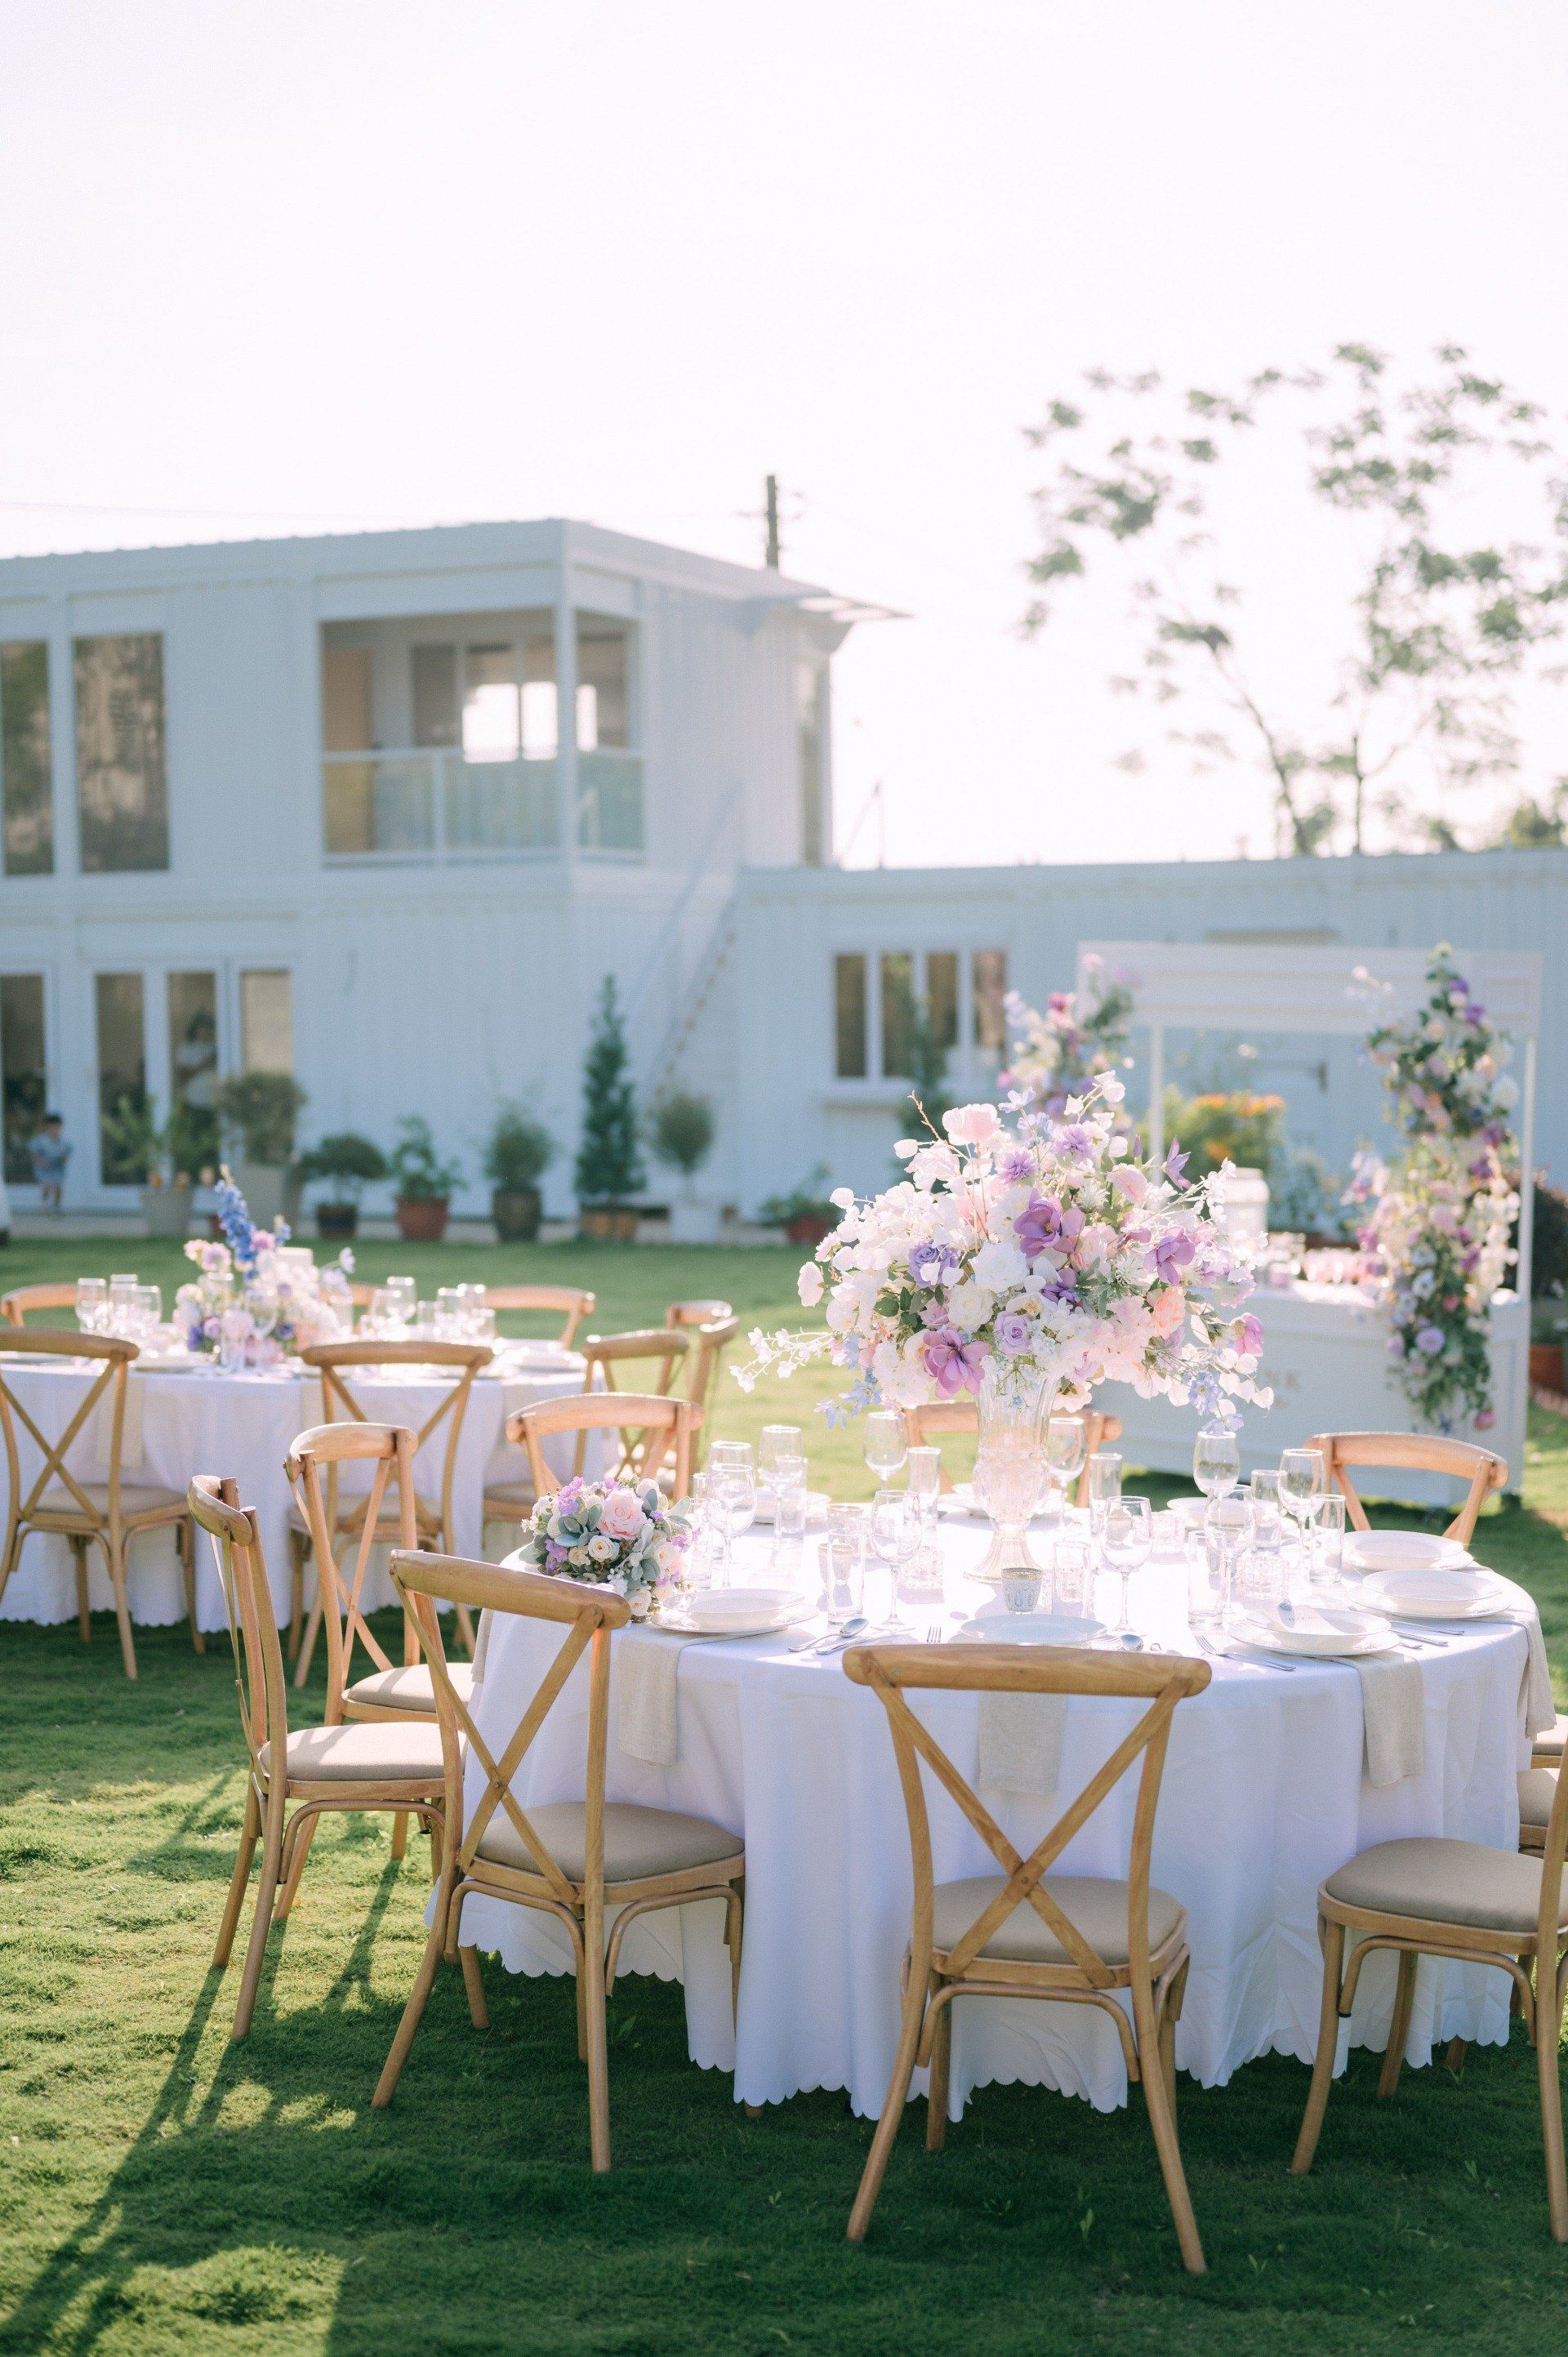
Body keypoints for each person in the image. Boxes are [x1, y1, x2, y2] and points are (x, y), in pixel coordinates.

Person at [29, 1113, 70, 1213]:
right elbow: (34, 1153)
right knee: (47, 1185)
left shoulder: (63, 1141)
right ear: (47, 1127)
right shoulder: (42, 1141)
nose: (55, 1130)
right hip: (44, 1167)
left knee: (58, 1186)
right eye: (53, 1128)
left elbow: (66, 1153)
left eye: (57, 1128)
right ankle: (45, 1203)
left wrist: (65, 1161)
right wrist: (40, 1161)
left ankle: (57, 1205)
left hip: (57, 1167)